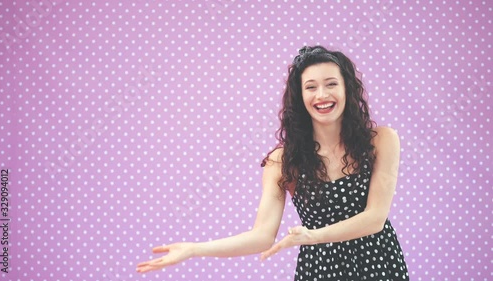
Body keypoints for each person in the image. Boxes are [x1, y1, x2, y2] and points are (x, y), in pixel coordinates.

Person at [136, 45, 409, 280]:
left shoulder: (381, 140)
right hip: (320, 270)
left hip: (379, 263)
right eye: (311, 87)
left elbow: (375, 218)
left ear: (347, 89)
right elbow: (262, 235)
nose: (322, 95)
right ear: (300, 98)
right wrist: (195, 249)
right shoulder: (283, 159)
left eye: (331, 84)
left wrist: (312, 236)